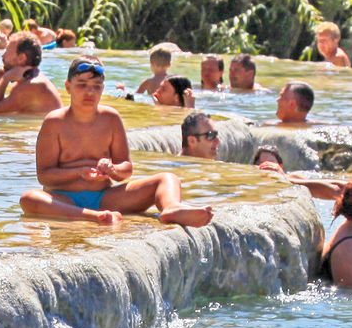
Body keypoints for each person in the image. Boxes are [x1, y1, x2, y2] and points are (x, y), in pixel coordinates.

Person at [21, 60, 213, 229]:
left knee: (168, 178)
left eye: (96, 86)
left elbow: (126, 169)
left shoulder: (111, 118)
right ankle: (95, 217)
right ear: (68, 86)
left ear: (103, 89)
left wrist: (112, 170)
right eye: (82, 84)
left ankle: (171, 208)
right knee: (29, 198)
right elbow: (45, 176)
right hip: (64, 199)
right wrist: (78, 173)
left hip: (105, 197)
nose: (90, 91)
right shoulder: (54, 121)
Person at [0, 33, 62, 116]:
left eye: (7, 51)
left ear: (21, 58)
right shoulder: (29, 80)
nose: (3, 56)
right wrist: (0, 79)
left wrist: (5, 79)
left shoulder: (31, 86)